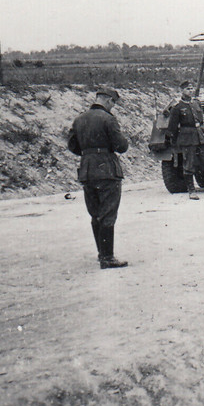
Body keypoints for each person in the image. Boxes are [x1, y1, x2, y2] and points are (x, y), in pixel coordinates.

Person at [67, 85, 130, 269]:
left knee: (95, 214)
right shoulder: (108, 119)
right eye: (113, 104)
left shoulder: (79, 119)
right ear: (108, 101)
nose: (113, 107)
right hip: (107, 170)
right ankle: (108, 258)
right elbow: (121, 146)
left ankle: (101, 253)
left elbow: (72, 145)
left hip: (87, 170)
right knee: (108, 213)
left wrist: (88, 154)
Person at [166, 80, 204, 200]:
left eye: (191, 89)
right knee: (189, 165)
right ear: (182, 91)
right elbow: (172, 127)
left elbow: (201, 120)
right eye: (187, 89)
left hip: (200, 137)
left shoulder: (196, 103)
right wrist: (176, 142)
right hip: (187, 138)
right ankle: (191, 191)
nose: (190, 91)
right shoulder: (178, 107)